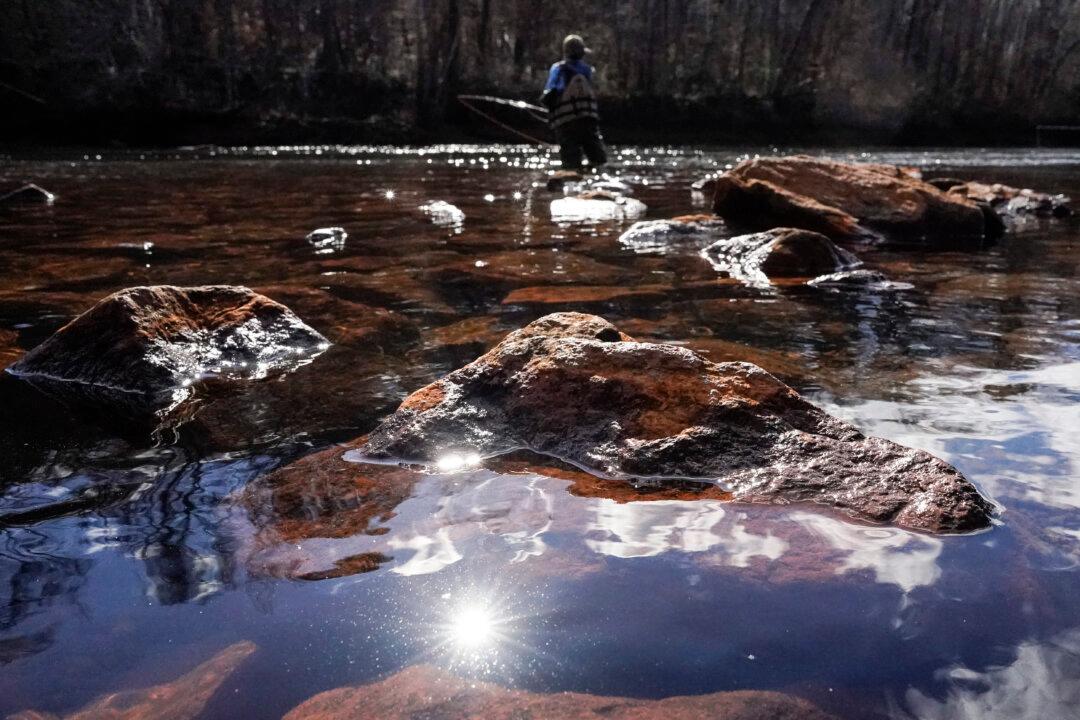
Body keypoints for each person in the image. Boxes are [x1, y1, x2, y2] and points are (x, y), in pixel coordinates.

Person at [540, 34, 607, 172]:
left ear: (565, 52)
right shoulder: (587, 70)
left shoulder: (558, 69)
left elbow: (550, 94)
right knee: (598, 161)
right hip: (589, 121)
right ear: (582, 53)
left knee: (571, 164)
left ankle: (572, 184)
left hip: (566, 124)